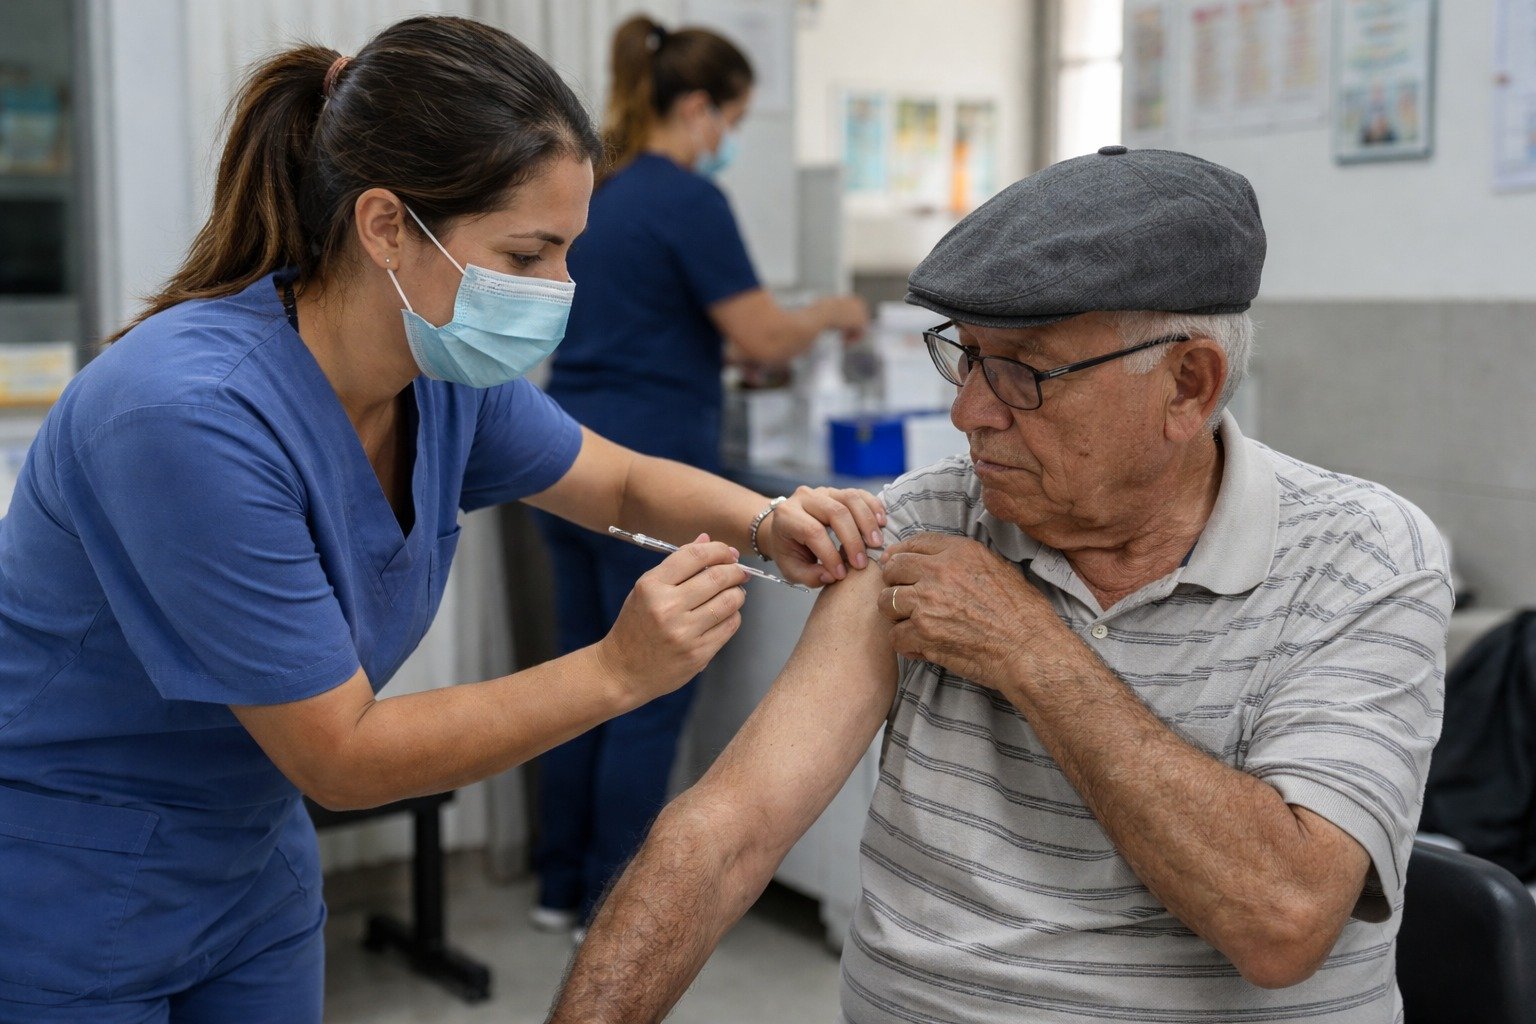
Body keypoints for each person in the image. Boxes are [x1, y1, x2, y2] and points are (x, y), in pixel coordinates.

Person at [0, 17, 884, 1023]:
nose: (558, 290)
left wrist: (771, 519)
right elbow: (341, 752)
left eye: (566, 252)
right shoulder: (189, 417)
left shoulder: (440, 370)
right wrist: (617, 669)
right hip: (65, 876)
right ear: (386, 227)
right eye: (527, 251)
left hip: (248, 860)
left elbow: (622, 483)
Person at [546, 147, 1453, 1023]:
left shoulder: (1363, 556)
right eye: (967, 355)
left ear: (1187, 385)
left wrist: (1029, 650)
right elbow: (723, 834)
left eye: (1023, 370)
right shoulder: (933, 514)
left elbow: (1283, 921)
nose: (968, 410)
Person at [530, 13, 873, 935]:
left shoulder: (595, 189)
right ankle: (617, 907)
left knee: (581, 680)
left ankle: (560, 888)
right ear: (696, 107)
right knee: (643, 688)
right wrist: (831, 311)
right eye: (730, 121)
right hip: (651, 465)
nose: (728, 142)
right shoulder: (685, 199)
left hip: (560, 455)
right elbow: (758, 335)